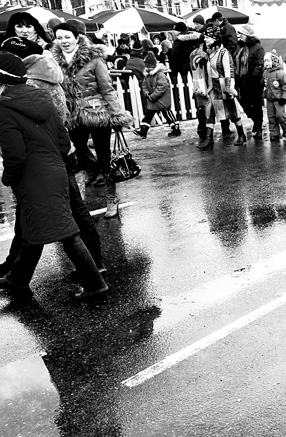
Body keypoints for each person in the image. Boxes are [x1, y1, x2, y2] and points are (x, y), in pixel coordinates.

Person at [0, 53, 108, 301]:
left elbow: (14, 155)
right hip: (55, 171)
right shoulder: (43, 98)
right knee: (33, 227)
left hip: (33, 177)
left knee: (66, 233)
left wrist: (9, 178)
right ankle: (18, 278)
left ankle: (95, 284)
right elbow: (63, 140)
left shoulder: (4, 109)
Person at [51, 21, 133, 219]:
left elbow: (107, 88)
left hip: (97, 113)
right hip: (71, 116)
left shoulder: (94, 58)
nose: (64, 41)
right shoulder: (52, 60)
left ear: (76, 37)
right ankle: (78, 203)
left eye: (67, 37)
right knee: (76, 157)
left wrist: (116, 114)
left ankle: (112, 198)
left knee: (105, 159)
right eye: (59, 37)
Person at [193, 25, 246, 148]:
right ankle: (209, 139)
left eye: (208, 37)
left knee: (232, 112)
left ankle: (241, 134)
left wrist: (229, 89)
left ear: (215, 38)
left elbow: (229, 72)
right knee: (210, 111)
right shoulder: (210, 52)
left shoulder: (224, 53)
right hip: (213, 86)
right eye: (205, 37)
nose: (205, 39)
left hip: (223, 87)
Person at [133, 52, 180, 138]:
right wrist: (147, 94)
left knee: (167, 114)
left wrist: (153, 96)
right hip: (152, 99)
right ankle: (143, 130)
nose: (147, 68)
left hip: (161, 100)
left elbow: (162, 86)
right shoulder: (147, 75)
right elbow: (144, 85)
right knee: (148, 115)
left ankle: (175, 128)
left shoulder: (160, 74)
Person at [234, 24, 265, 140]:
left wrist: (252, 78)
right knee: (245, 105)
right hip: (243, 82)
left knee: (256, 106)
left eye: (241, 34)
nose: (239, 36)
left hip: (254, 82)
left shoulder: (257, 48)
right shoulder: (241, 48)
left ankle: (259, 127)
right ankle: (256, 122)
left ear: (247, 35)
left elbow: (259, 65)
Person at [262, 51, 286, 141]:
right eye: (265, 61)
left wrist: (284, 97)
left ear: (274, 61)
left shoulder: (280, 73)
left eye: (268, 61)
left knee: (280, 115)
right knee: (271, 117)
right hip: (270, 99)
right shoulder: (265, 73)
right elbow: (265, 86)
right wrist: (264, 94)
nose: (266, 63)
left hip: (279, 99)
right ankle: (274, 133)